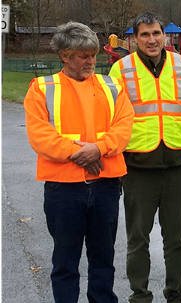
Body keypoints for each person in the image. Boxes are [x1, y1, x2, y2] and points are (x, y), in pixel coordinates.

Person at [23, 22, 134, 302]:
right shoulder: (41, 88)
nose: (91, 61)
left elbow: (124, 127)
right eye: (83, 56)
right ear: (64, 56)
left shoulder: (112, 86)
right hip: (64, 190)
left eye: (93, 55)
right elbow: (41, 137)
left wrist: (99, 148)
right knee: (65, 263)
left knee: (103, 260)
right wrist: (86, 154)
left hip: (106, 187)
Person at [108, 11, 181, 303]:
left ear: (165, 35)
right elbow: (113, 119)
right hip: (137, 168)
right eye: (144, 34)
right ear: (133, 39)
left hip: (177, 165)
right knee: (137, 239)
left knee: (176, 239)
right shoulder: (121, 70)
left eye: (156, 33)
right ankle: (140, 295)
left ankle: (176, 292)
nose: (152, 39)